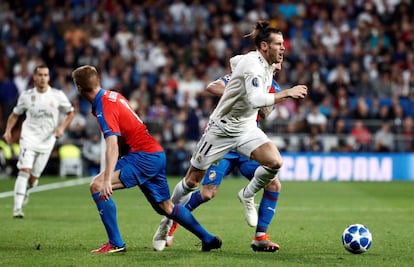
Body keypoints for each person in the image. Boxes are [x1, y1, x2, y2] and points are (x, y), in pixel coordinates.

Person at [153, 20, 307, 252]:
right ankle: (167, 221)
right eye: (278, 44)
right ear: (264, 46)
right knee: (192, 182)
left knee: (275, 163)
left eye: (283, 44)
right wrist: (286, 93)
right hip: (221, 130)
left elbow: (236, 62)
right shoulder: (253, 66)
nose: (284, 48)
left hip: (246, 129)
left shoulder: (265, 67)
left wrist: (253, 82)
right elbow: (254, 99)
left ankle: (248, 196)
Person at [71, 65, 222, 254]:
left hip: (142, 156)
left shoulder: (104, 105)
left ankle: (116, 243)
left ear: (78, 88)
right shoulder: (112, 95)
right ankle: (208, 238)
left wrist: (107, 179)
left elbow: (112, 144)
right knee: (166, 207)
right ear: (98, 81)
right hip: (154, 153)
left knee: (97, 185)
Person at [165, 62, 286, 252]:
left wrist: (265, 101)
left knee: (274, 183)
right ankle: (172, 223)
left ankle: (260, 237)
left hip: (248, 142)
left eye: (281, 61)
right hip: (226, 144)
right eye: (277, 60)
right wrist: (239, 94)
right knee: (207, 193)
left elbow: (265, 113)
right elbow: (213, 86)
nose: (278, 65)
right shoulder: (242, 76)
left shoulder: (274, 86)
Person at [2, 65, 75, 218]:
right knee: (24, 171)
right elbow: (15, 115)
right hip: (28, 138)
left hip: (47, 141)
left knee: (34, 179)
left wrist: (61, 128)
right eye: (40, 75)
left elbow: (70, 113)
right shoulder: (26, 96)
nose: (43, 78)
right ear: (34, 77)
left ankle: (27, 189)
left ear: (49, 77)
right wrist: (8, 131)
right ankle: (17, 209)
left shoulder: (57, 95)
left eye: (46, 75)